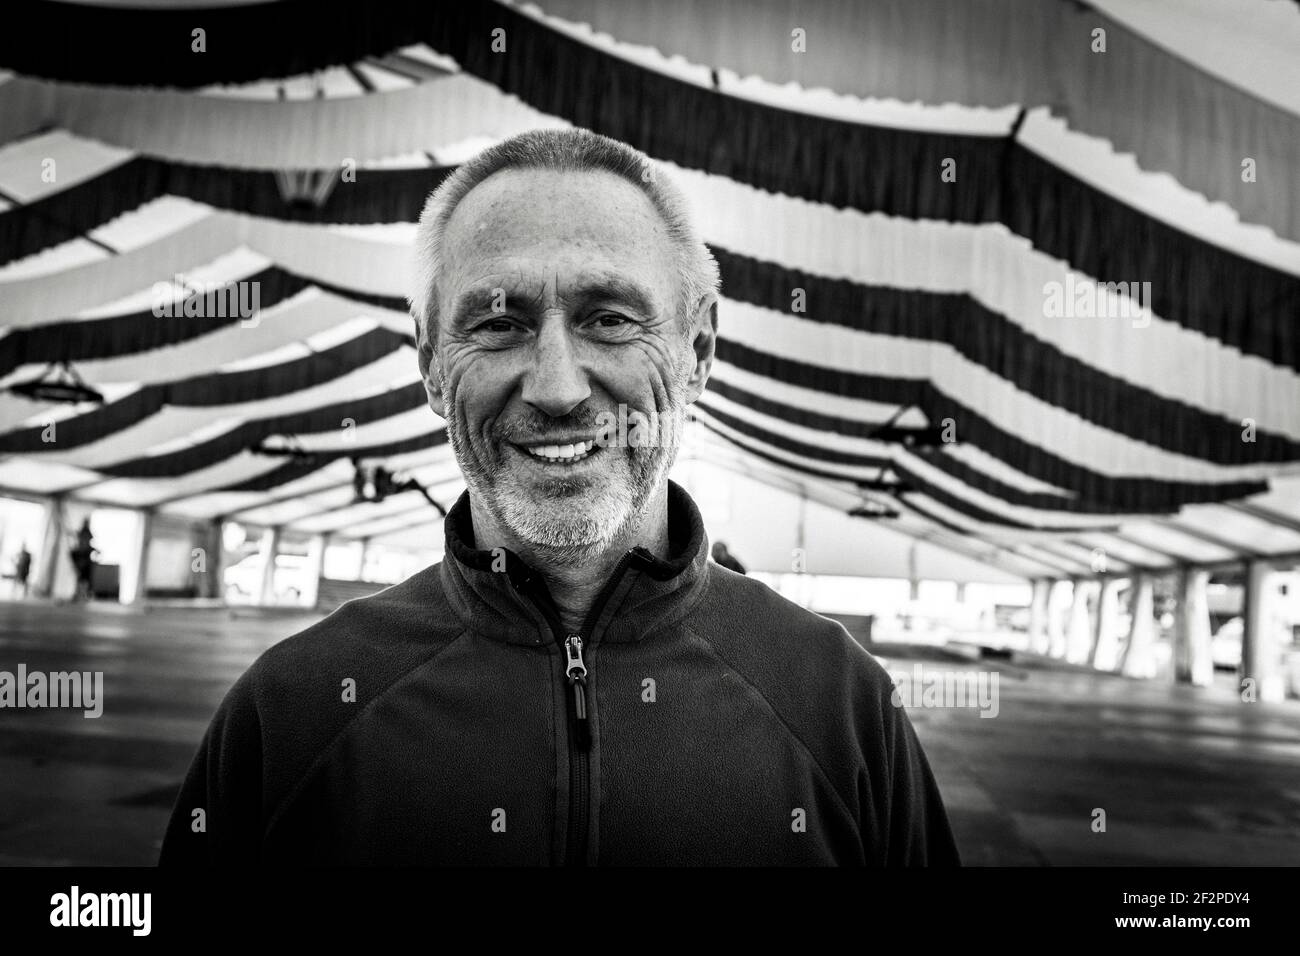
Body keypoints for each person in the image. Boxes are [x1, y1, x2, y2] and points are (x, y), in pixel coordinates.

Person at [161, 129, 960, 866]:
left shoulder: (842, 711)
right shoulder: (291, 713)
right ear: (432, 364)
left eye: (609, 319)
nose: (556, 388)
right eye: (499, 325)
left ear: (699, 353)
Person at [69, 519, 96, 602]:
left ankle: (84, 595)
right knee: (80, 578)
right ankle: (79, 594)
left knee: (85, 579)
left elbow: (89, 543)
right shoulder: (77, 551)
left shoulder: (87, 534)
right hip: (80, 559)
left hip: (85, 560)